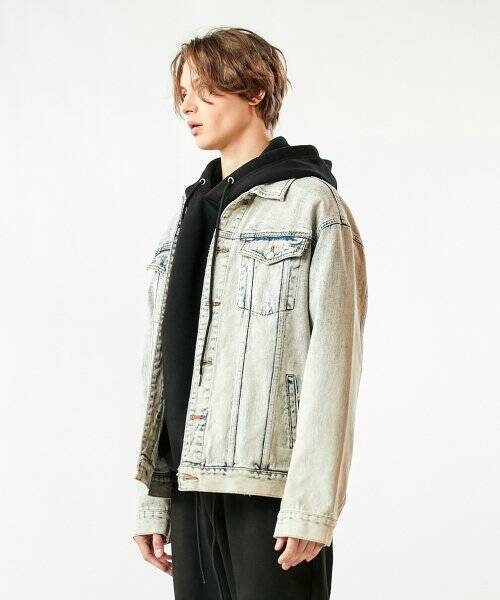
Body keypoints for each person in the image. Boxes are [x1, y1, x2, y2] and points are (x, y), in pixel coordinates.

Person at [132, 26, 368, 600]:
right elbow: (164, 365)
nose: (187, 107)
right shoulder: (187, 218)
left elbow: (335, 364)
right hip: (190, 486)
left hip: (269, 491)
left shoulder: (312, 207)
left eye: (202, 89)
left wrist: (311, 506)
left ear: (254, 90)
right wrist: (153, 498)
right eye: (181, 94)